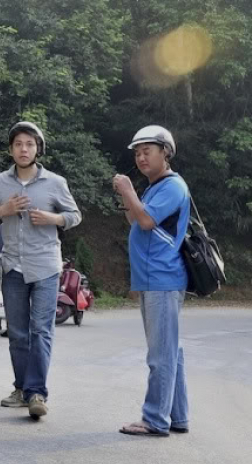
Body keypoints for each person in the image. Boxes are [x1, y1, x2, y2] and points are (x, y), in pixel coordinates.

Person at [0, 121, 81, 418]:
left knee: (41, 330)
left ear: (38, 149)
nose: (24, 149)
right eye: (18, 144)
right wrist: (1, 212)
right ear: (11, 149)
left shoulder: (55, 183)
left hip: (46, 265)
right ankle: (22, 388)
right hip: (12, 266)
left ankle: (37, 393)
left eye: (30, 144)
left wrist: (53, 218)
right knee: (19, 333)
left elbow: (74, 216)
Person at [113, 125, 190, 437]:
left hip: (163, 278)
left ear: (166, 154)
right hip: (153, 279)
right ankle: (178, 416)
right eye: (137, 152)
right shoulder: (155, 187)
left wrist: (129, 190)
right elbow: (136, 219)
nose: (140, 157)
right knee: (171, 351)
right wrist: (130, 198)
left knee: (160, 354)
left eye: (147, 151)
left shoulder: (172, 186)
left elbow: (145, 220)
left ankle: (155, 419)